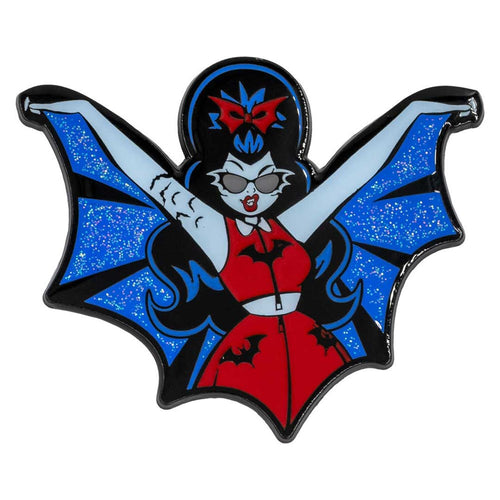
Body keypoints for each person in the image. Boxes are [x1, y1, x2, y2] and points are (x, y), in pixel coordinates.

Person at [28, 59, 474, 431]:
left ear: (283, 180)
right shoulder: (214, 232)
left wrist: (415, 113)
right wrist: (84, 114)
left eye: (265, 181)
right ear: (214, 182)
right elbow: (150, 178)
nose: (251, 195)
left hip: (313, 341)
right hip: (247, 349)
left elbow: (353, 176)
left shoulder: (294, 223)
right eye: (235, 182)